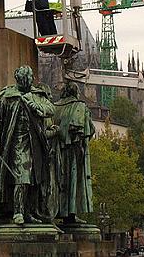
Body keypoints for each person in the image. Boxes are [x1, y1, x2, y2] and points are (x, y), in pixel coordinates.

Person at [0, 66, 55, 225]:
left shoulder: (37, 95)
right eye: (27, 79)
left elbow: (50, 109)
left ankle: (29, 212)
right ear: (20, 80)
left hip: (36, 143)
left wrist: (35, 106)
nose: (30, 81)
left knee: (35, 179)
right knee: (22, 178)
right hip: (16, 143)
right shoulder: (7, 97)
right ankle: (18, 211)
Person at [53, 81, 95, 225]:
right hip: (72, 152)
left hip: (54, 152)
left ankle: (56, 211)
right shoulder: (80, 107)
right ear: (76, 92)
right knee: (72, 182)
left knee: (57, 182)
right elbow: (87, 130)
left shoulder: (53, 107)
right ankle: (70, 214)